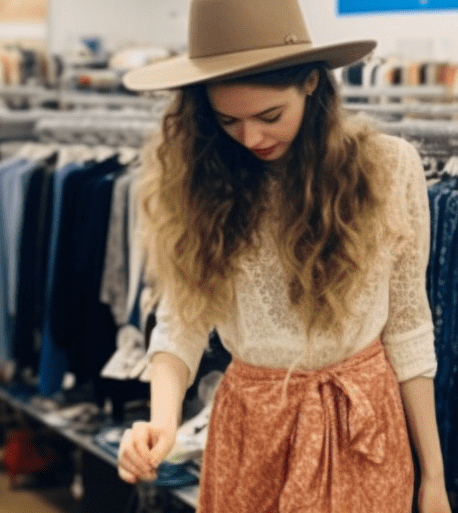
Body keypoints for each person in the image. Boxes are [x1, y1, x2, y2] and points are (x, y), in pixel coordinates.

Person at [116, 0, 452, 512]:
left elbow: (408, 326)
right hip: (254, 434)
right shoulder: (202, 183)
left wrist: (434, 478)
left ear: (311, 84)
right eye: (228, 120)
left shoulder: (388, 168)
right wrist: (161, 422)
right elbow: (180, 323)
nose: (251, 137)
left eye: (269, 115)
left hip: (363, 427)